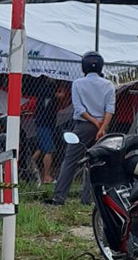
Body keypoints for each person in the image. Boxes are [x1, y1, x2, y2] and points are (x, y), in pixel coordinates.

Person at [47, 51, 115, 206]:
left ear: (84, 67)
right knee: (95, 162)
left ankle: (59, 197)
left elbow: (79, 109)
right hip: (102, 128)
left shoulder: (78, 83)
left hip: (83, 126)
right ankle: (88, 198)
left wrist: (93, 121)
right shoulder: (108, 85)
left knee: (70, 160)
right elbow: (110, 109)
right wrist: (102, 126)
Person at [32, 76, 58, 184]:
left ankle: (29, 166)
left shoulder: (50, 87)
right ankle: (47, 176)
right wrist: (57, 95)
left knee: (41, 148)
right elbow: (48, 95)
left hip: (48, 123)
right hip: (43, 123)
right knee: (49, 150)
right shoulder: (44, 87)